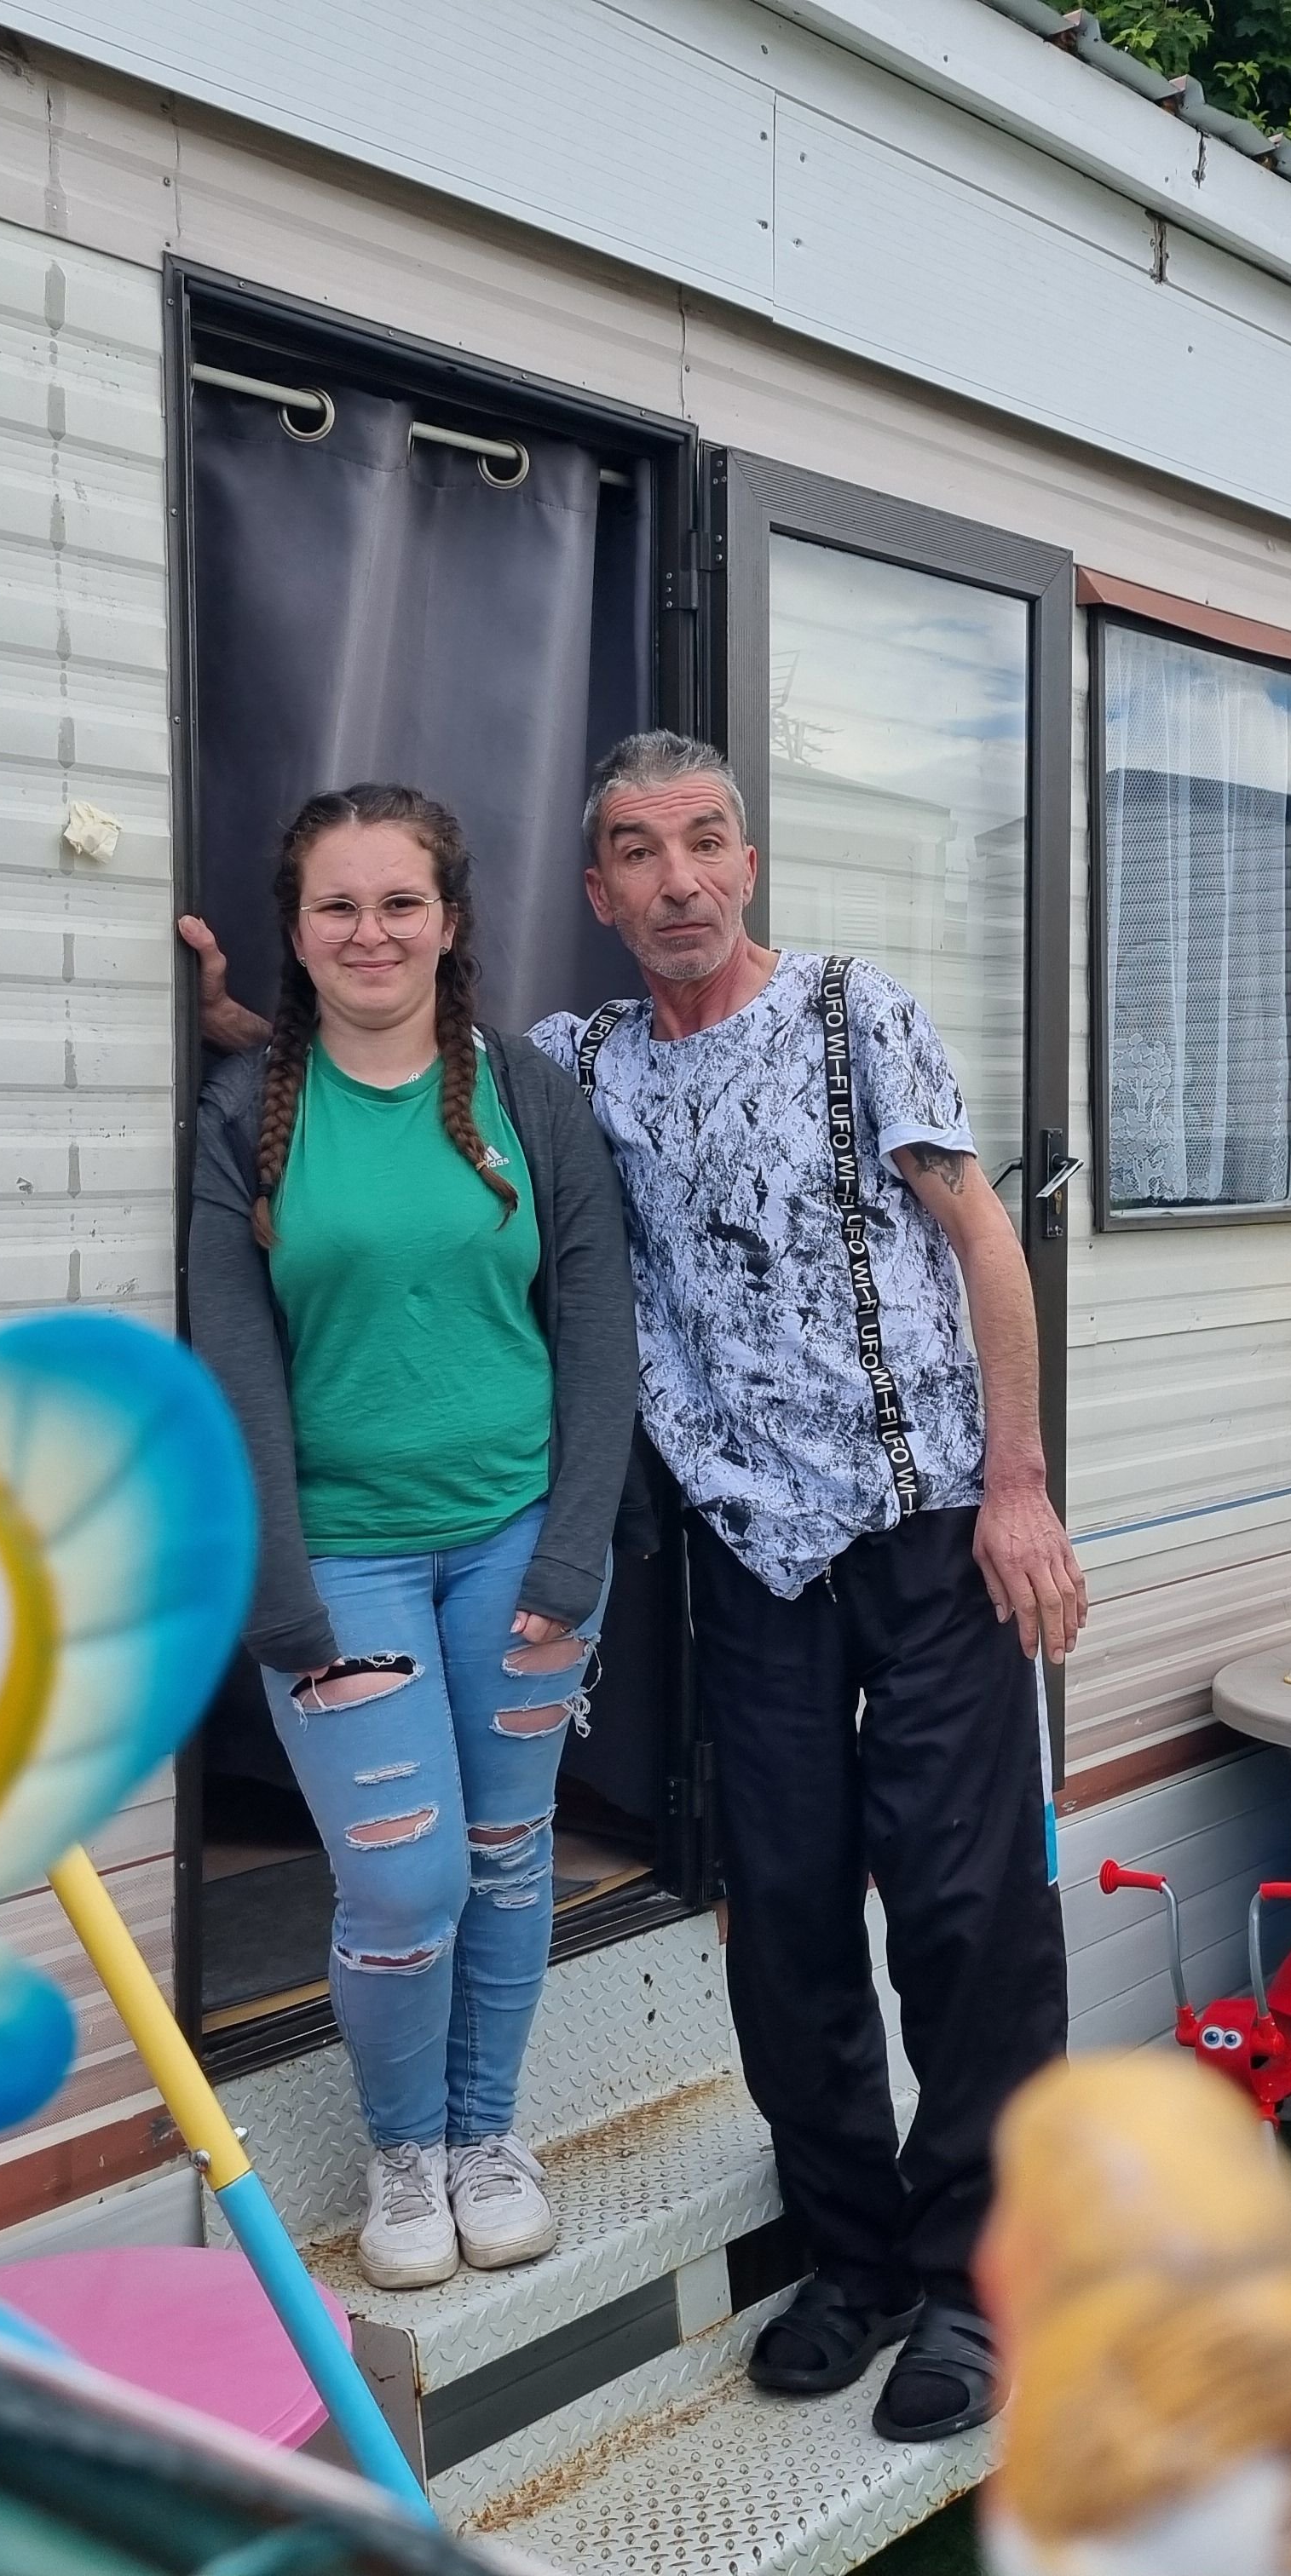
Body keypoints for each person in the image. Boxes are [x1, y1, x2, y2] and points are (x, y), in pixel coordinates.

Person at [184, 733, 1082, 2442]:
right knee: (789, 1915)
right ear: (593, 894)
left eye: (706, 844)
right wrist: (244, 1040)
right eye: (638, 855)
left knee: (967, 1917)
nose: (679, 882)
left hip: (929, 1518)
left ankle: (981, 2282)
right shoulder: (570, 1067)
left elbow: (982, 1235)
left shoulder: (851, 1013)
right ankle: (857, 2255)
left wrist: (1024, 1489)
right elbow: (376, 1077)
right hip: (745, 1548)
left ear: (747, 861)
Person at [182, 783, 638, 2292]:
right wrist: (283, 1601)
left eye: (400, 903)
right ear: (296, 937)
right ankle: (402, 2156)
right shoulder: (248, 1114)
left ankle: (483, 2140)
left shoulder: (530, 1094)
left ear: (450, 923)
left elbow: (595, 1332)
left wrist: (575, 1555)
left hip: (517, 1545)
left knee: (510, 1862)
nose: (370, 930)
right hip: (343, 1563)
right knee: (400, 1885)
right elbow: (234, 1366)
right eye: (337, 906)